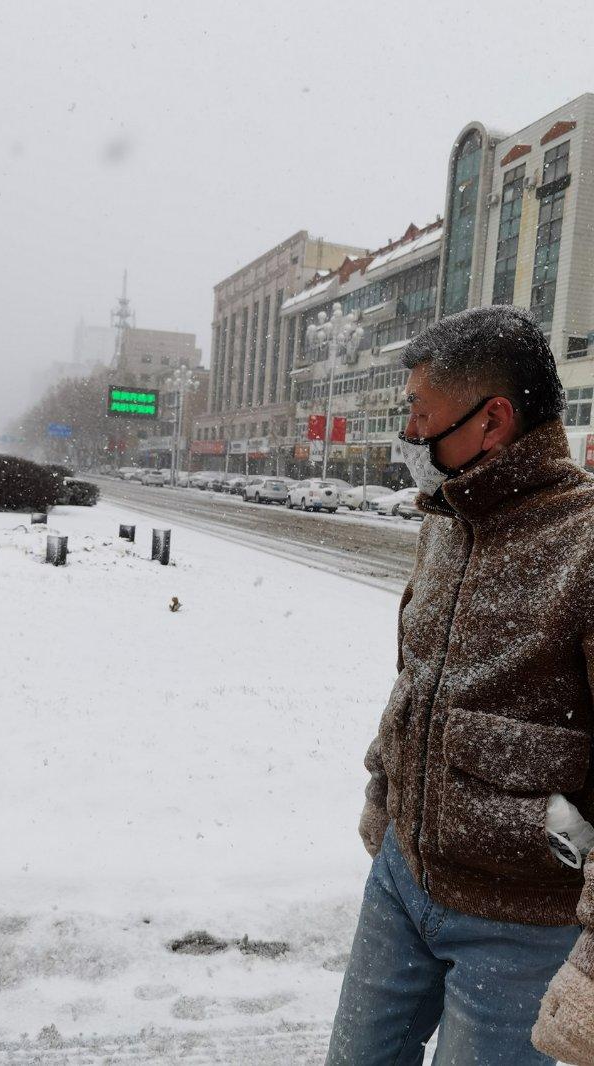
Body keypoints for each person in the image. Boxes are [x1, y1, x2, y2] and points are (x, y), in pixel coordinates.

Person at [325, 306, 594, 1065]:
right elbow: (415, 685)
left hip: (521, 925)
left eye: (419, 414)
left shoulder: (585, 544)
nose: (407, 436)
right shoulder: (447, 519)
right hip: (400, 884)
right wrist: (385, 800)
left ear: (492, 419)